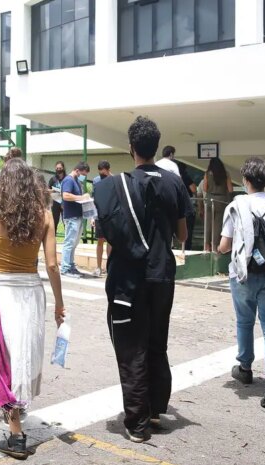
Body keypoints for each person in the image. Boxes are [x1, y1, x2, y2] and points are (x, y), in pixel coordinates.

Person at [96, 116, 188, 443]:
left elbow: (106, 233)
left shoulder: (115, 187)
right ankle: (154, 408)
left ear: (131, 148)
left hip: (128, 279)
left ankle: (137, 423)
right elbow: (182, 233)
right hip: (163, 274)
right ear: (155, 145)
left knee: (131, 346)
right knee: (156, 341)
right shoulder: (174, 182)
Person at [0, 158, 65, 460]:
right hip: (31, 293)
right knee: (23, 354)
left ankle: (16, 433)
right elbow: (51, 264)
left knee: (3, 358)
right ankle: (17, 413)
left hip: (1, 291)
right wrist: (60, 304)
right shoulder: (44, 215)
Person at [218, 157, 265, 410]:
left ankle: (245, 368)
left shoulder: (236, 206)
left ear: (246, 180)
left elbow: (224, 246)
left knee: (244, 321)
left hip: (243, 276)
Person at [163, 146, 197, 251]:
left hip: (162, 200)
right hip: (177, 202)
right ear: (172, 154)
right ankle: (185, 248)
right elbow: (191, 188)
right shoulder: (173, 167)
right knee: (185, 229)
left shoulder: (157, 164)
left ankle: (170, 246)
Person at [60, 161, 90, 278]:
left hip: (77, 216)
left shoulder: (77, 181)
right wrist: (81, 197)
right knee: (69, 242)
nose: (83, 176)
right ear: (77, 170)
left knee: (74, 243)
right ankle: (65, 267)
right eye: (83, 173)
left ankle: (71, 265)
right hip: (71, 216)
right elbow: (66, 195)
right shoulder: (69, 180)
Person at [203, 157, 233, 252]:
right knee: (218, 224)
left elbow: (204, 188)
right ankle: (215, 247)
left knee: (208, 223)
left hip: (210, 199)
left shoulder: (207, 173)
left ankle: (206, 246)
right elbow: (230, 189)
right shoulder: (225, 174)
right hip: (221, 200)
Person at [92, 160, 112, 277]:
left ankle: (109, 267)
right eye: (100, 173)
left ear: (108, 170)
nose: (101, 175)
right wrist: (93, 217)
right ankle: (98, 267)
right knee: (100, 241)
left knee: (110, 242)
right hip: (99, 215)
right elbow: (95, 199)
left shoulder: (114, 180)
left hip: (110, 216)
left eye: (103, 173)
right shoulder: (96, 180)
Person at [47, 161, 65, 234]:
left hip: (65, 203)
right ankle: (53, 238)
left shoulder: (67, 178)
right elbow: (47, 189)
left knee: (66, 222)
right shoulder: (53, 179)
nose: (58, 169)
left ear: (63, 168)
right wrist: (53, 190)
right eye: (57, 168)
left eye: (60, 168)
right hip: (55, 202)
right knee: (54, 221)